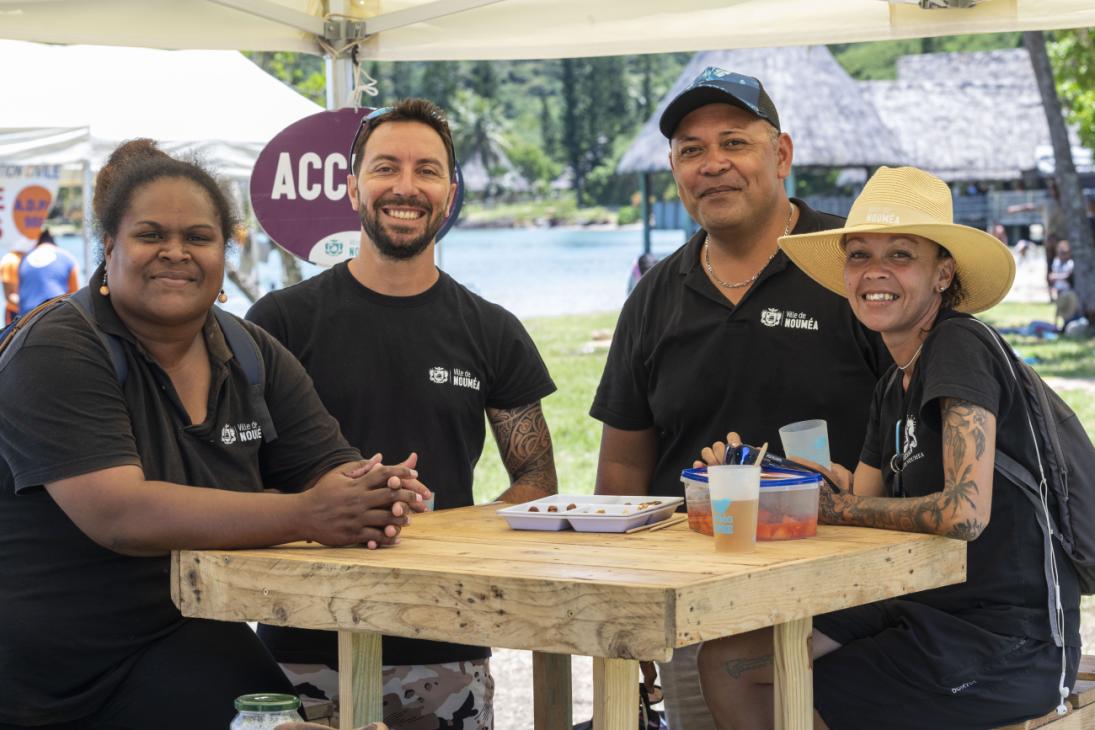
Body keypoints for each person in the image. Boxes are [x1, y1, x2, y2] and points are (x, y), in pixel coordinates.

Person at [0, 139, 427, 730]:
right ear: (108, 248)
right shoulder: (57, 346)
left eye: (198, 238)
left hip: (184, 635)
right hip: (45, 681)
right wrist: (308, 514)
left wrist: (374, 492)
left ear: (224, 254)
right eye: (150, 235)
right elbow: (120, 516)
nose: (175, 252)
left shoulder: (250, 352)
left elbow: (328, 467)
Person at [697, 166, 1081, 730]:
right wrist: (779, 478)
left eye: (900, 255)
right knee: (727, 662)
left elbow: (964, 513)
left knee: (809, 693)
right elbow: (865, 512)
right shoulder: (892, 382)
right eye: (859, 256)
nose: (874, 273)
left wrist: (840, 506)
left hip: (1009, 641)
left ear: (942, 273)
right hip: (918, 608)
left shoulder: (959, 344)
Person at [588, 66, 890, 729]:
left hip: (849, 598)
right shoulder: (653, 295)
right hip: (695, 602)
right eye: (691, 151)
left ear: (779, 154)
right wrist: (622, 601)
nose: (712, 165)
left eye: (733, 142)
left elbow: (928, 429)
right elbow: (622, 469)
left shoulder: (853, 266)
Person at [247, 98, 558, 729]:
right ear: (353, 183)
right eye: (387, 167)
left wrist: (444, 534)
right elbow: (236, 475)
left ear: (450, 191)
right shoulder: (279, 323)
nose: (406, 187)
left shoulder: (493, 331)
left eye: (428, 170)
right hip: (303, 649)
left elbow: (537, 482)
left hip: (445, 645)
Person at [15, 227, 78, 317]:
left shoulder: (24, 258)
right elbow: (75, 295)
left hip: (27, 316)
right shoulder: (67, 257)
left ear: (37, 243)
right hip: (56, 312)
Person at [0, 245, 25, 325]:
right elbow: (10, 295)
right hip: (15, 312)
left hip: (37, 311)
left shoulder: (36, 256)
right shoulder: (10, 260)